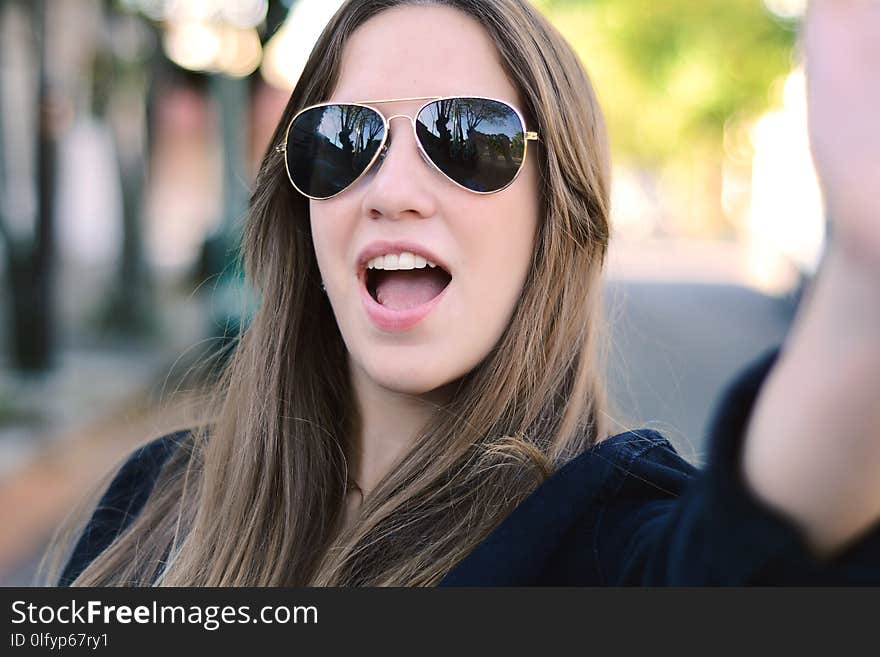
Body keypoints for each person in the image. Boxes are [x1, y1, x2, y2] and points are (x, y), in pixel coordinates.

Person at [47, 0, 879, 586]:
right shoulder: (155, 497)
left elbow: (765, 548)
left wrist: (864, 275)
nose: (391, 189)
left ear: (558, 212)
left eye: (466, 138)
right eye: (346, 139)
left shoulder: (616, 546)